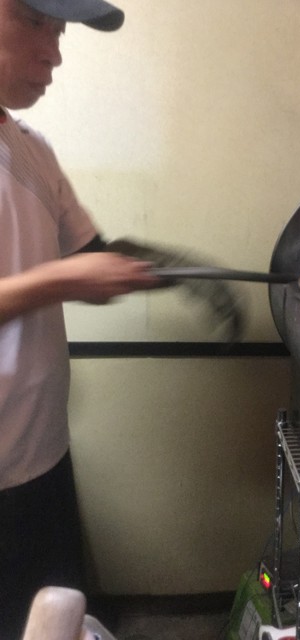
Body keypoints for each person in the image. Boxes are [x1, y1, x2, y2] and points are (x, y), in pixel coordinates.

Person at [0, 0, 163, 636]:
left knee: (58, 616)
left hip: (41, 450)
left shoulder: (31, 149)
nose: (55, 53)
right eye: (34, 21)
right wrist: (65, 280)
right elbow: (71, 274)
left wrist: (161, 265)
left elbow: (89, 256)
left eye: (60, 30)